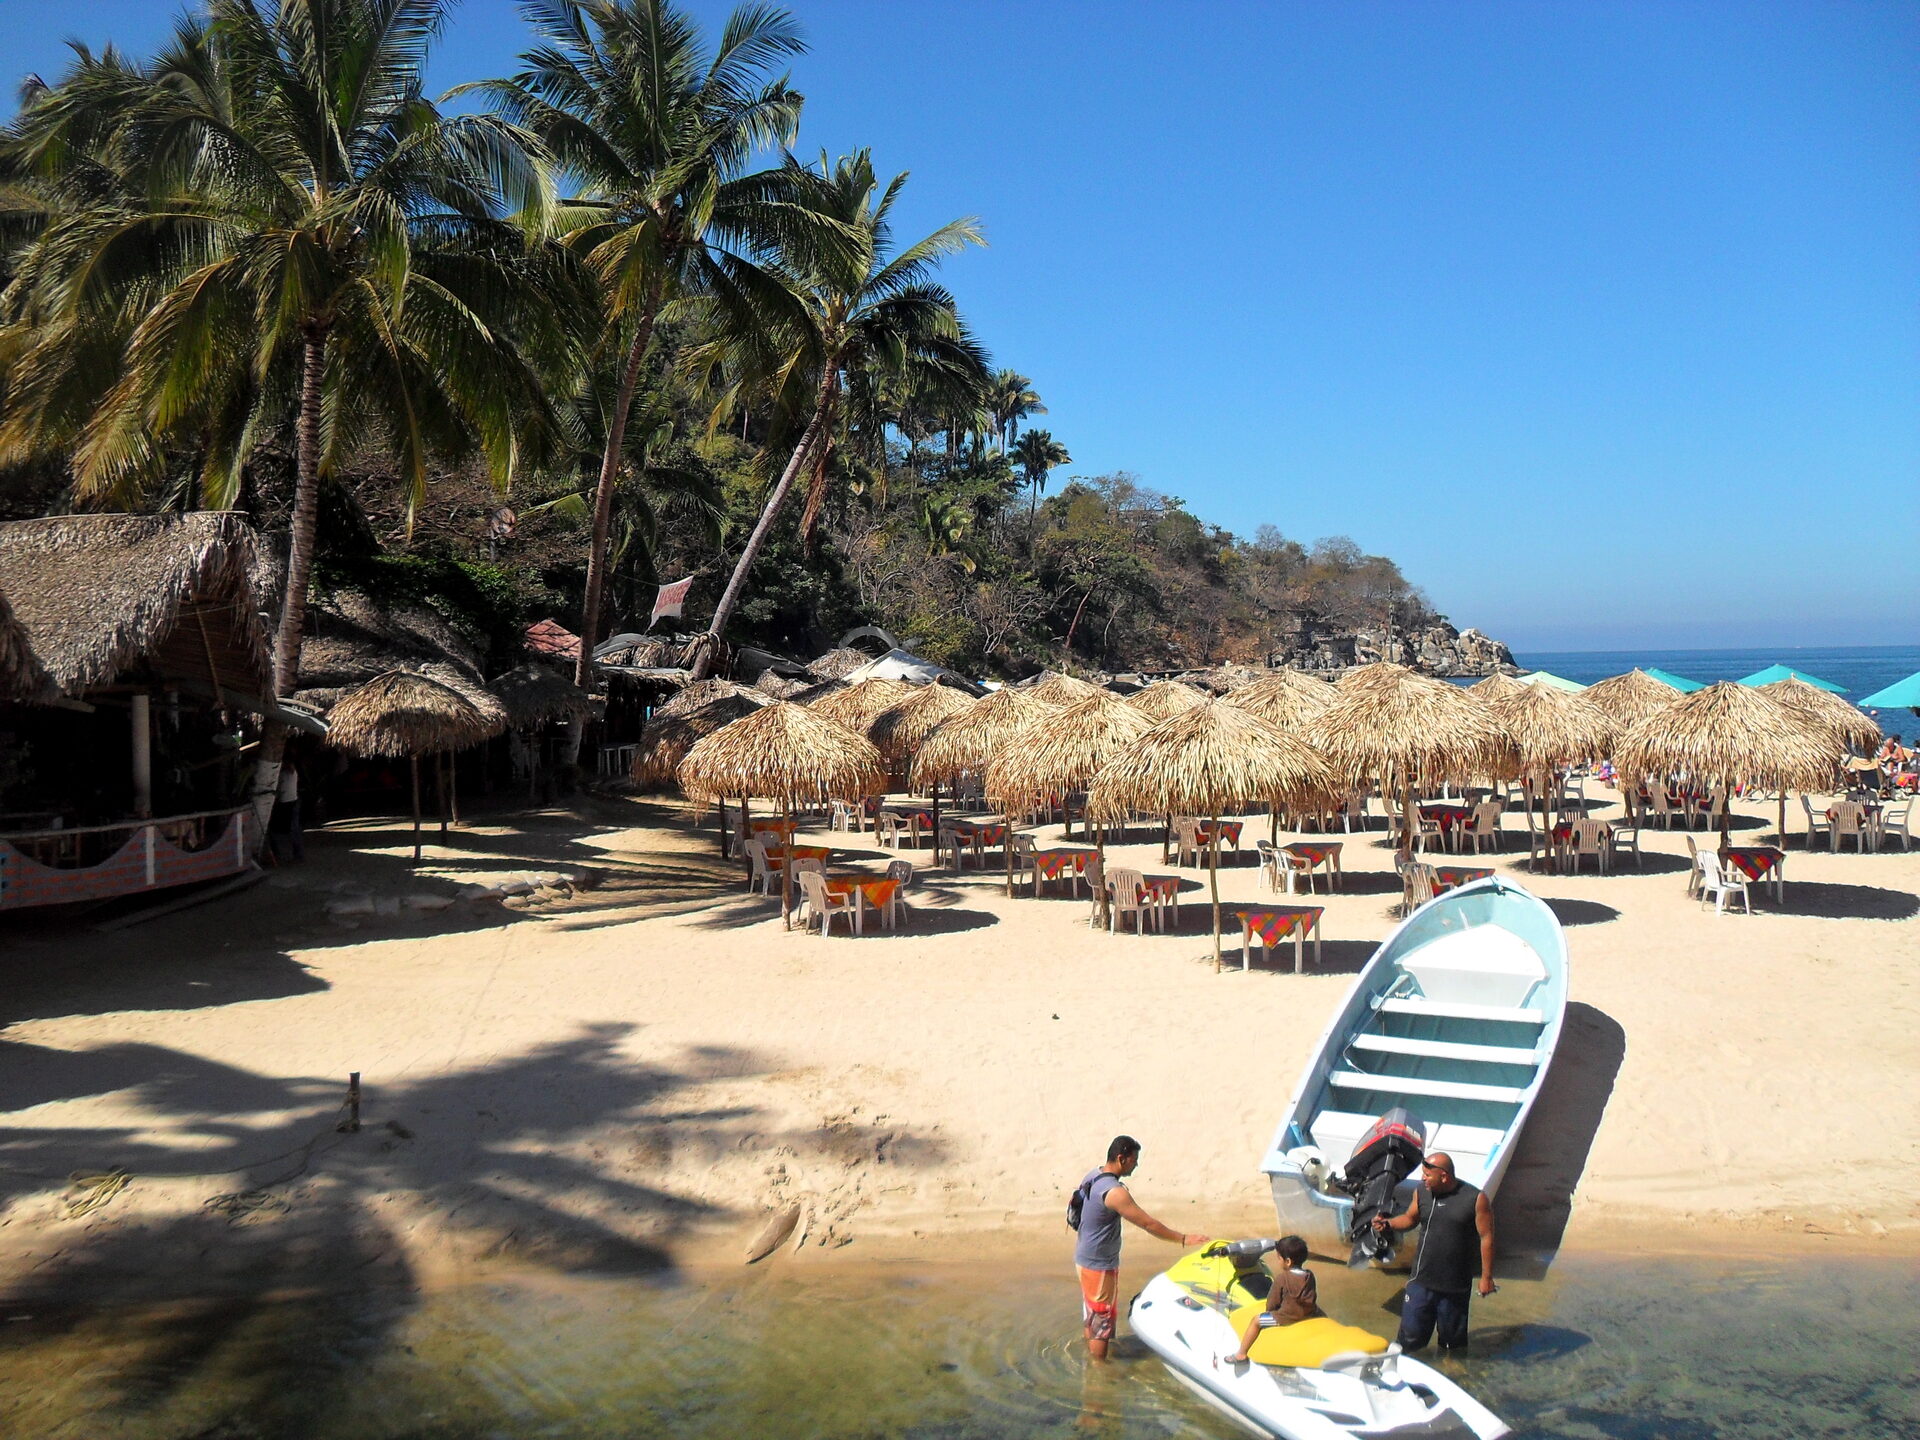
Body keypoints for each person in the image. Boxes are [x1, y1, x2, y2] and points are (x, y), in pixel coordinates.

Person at [1071, 1135, 1209, 1360]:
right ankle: (1099, 1373)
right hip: (1098, 1266)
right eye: (1134, 1159)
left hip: (1084, 1258)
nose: (1136, 1164)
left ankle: (1095, 1355)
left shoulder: (1094, 1175)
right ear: (1121, 1159)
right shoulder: (1114, 1192)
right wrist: (1182, 1238)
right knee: (1101, 1318)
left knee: (1094, 1314)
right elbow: (1148, 1223)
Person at [1371, 1151, 1496, 1354]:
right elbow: (1410, 1219)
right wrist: (1389, 1223)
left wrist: (1486, 1277)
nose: (1422, 1179)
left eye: (1427, 1175)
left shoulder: (1476, 1199)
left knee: (1452, 1346)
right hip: (1421, 1282)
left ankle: (1450, 1374)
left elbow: (1487, 1238)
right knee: (1408, 1343)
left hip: (1455, 1287)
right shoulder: (1421, 1192)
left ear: (1444, 1176)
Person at [1226, 1234, 1323, 1363]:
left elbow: (1273, 1302)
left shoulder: (1282, 1278)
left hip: (1287, 1317)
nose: (1278, 1261)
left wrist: (1271, 1311)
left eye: (1279, 1258)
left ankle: (1241, 1354)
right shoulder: (1309, 1275)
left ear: (1287, 1261)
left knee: (1256, 1321)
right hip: (1309, 1313)